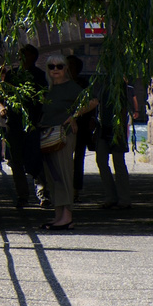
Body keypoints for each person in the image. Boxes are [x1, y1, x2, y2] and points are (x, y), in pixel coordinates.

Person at [39, 53, 97, 230]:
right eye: (51, 66)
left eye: (59, 66)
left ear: (65, 69)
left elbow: (92, 101)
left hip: (63, 135)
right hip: (47, 135)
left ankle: (67, 216)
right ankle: (58, 215)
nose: (55, 70)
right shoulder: (47, 88)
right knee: (52, 175)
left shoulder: (71, 86)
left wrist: (74, 116)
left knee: (63, 173)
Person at [0, 47, 46, 210]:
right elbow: (1, 96)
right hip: (14, 122)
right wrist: (1, 107)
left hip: (32, 123)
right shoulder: (12, 74)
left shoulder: (39, 75)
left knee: (35, 159)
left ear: (33, 56)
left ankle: (43, 193)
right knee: (15, 161)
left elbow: (43, 99)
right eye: (21, 54)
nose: (22, 57)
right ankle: (22, 196)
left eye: (26, 54)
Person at [91, 69, 135, 209]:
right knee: (101, 161)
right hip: (103, 128)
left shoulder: (121, 87)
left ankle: (124, 199)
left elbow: (123, 109)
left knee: (118, 162)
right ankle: (111, 196)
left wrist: (120, 129)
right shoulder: (103, 86)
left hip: (116, 129)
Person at [67, 54, 93, 201]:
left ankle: (75, 188)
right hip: (65, 126)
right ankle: (66, 187)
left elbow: (90, 103)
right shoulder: (61, 83)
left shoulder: (83, 84)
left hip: (81, 126)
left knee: (78, 159)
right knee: (64, 159)